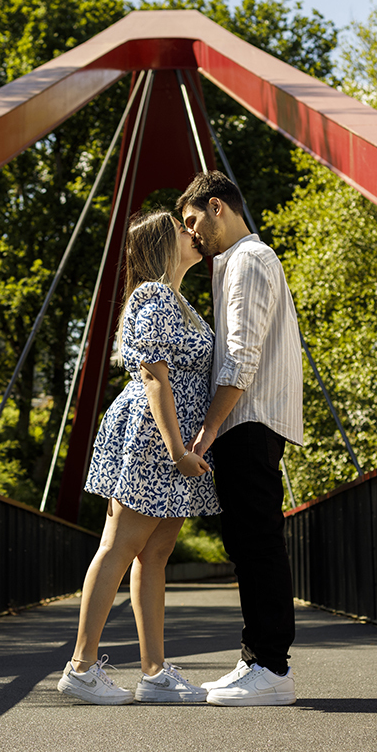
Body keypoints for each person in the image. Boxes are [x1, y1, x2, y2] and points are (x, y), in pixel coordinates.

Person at [57, 209, 222, 705]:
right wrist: (176, 450)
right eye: (180, 229)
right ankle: (81, 668)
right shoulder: (152, 295)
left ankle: (154, 673)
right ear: (159, 245)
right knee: (119, 546)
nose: (193, 233)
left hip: (174, 440)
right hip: (153, 437)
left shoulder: (179, 301)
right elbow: (154, 376)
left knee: (155, 553)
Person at [177, 170, 304, 707]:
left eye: (192, 221)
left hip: (248, 421)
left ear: (217, 207)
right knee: (247, 543)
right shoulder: (236, 263)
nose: (191, 235)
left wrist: (204, 434)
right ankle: (257, 659)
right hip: (246, 421)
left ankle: (272, 668)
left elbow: (241, 356)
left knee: (256, 541)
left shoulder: (249, 261)